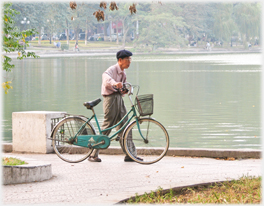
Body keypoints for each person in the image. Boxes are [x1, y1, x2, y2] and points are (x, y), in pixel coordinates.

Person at [88, 49, 140, 162]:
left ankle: (130, 154)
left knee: (125, 125)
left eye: (130, 59)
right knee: (107, 126)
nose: (129, 62)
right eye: (127, 59)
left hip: (118, 99)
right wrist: (114, 83)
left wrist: (124, 90)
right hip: (110, 99)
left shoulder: (123, 73)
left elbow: (121, 88)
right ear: (120, 60)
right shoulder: (112, 70)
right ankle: (93, 154)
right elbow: (106, 78)